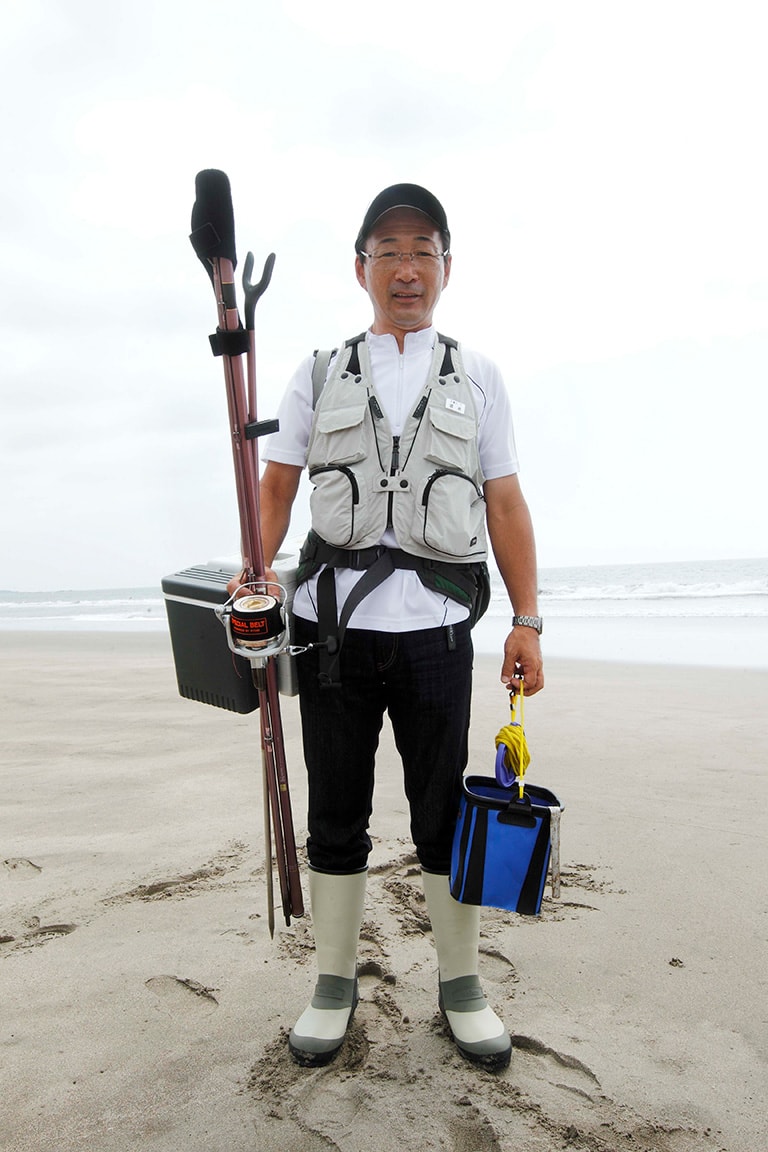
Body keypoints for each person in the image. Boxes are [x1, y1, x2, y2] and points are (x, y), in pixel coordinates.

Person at [233, 184, 543, 1071]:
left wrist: (526, 622)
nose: (407, 269)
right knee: (336, 813)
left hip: (440, 633)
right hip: (329, 634)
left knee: (444, 814)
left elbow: (508, 502)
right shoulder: (321, 370)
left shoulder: (478, 374)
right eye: (389, 251)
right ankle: (333, 985)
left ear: (446, 266)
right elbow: (279, 487)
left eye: (424, 250)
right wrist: (253, 576)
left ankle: (462, 986)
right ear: (361, 266)